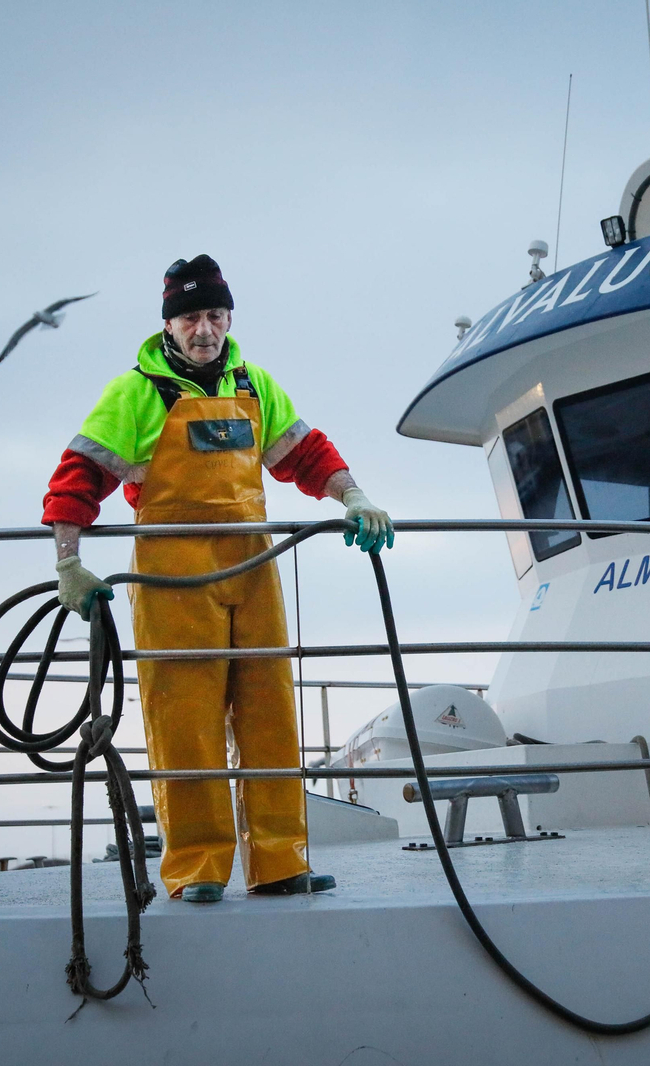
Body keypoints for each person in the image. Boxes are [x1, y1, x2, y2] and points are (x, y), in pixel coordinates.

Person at [41, 254, 393, 903]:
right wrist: (68, 563)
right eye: (189, 318)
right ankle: (197, 866)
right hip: (173, 575)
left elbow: (306, 454)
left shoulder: (255, 384)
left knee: (270, 711)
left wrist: (354, 496)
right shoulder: (134, 394)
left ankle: (280, 861)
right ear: (169, 325)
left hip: (252, 569)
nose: (203, 329)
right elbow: (78, 478)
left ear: (228, 318)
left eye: (214, 314)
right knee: (185, 717)